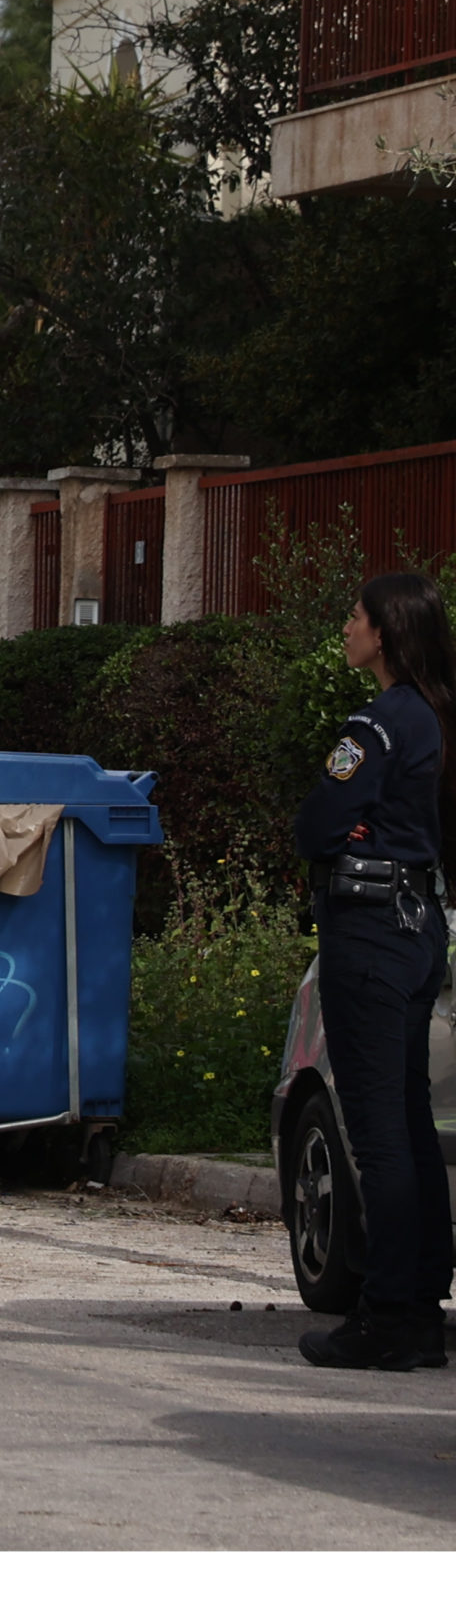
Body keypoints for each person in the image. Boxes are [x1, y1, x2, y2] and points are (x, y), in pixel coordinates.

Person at [294, 573, 456, 1371]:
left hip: (370, 932)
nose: (346, 627)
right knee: (411, 1123)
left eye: (354, 616)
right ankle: (422, 1304)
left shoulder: (381, 720)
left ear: (384, 634)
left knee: (379, 1132)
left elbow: (319, 820)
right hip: (419, 926)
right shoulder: (433, 717)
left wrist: (347, 825)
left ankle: (387, 1311)